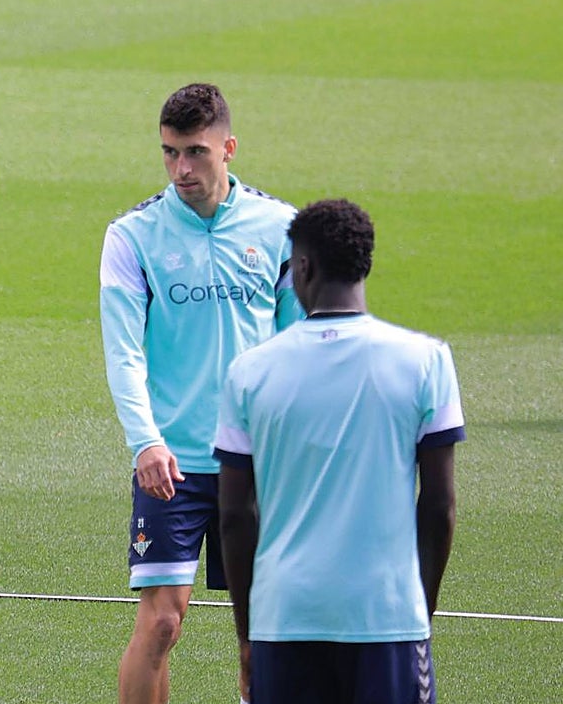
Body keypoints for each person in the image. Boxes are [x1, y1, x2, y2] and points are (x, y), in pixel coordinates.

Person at [99, 83, 302, 704]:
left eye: (195, 153)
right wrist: (145, 442)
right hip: (174, 463)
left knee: (261, 636)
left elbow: (300, 345)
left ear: (229, 148)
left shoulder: (282, 227)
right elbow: (124, 349)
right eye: (169, 153)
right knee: (161, 623)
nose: (181, 169)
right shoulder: (132, 236)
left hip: (257, 460)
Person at [215, 198, 464, 704]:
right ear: (363, 264)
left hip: (284, 620)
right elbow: (439, 506)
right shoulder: (426, 362)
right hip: (387, 618)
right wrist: (418, 611)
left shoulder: (250, 372)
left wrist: (247, 634)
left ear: (302, 267)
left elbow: (235, 516)